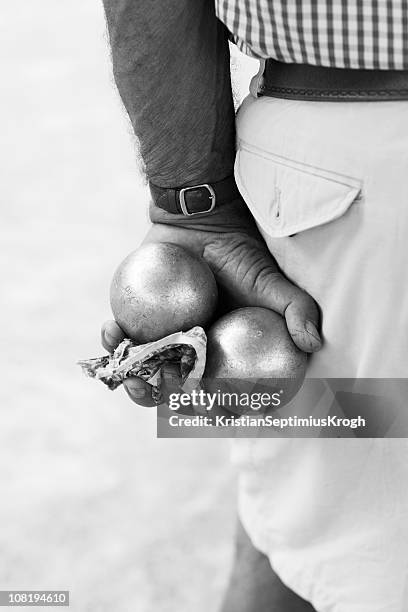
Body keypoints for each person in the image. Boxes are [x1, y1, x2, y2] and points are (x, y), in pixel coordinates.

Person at [100, 2, 408, 610]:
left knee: (330, 512)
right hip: (355, 173)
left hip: (344, 175)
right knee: (337, 523)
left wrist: (190, 205)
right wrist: (194, 210)